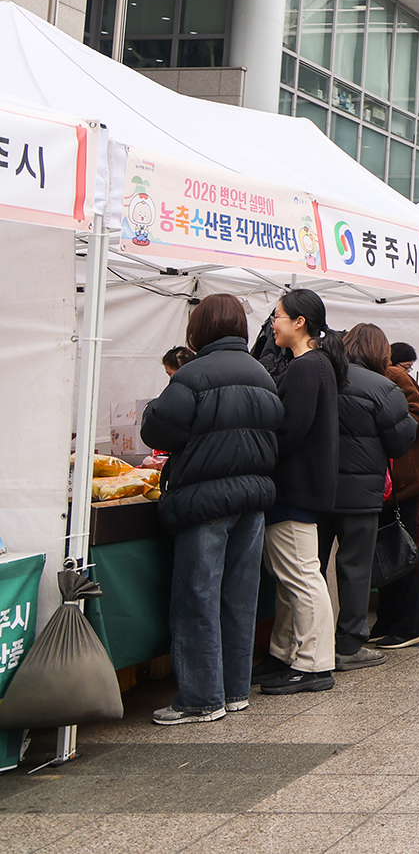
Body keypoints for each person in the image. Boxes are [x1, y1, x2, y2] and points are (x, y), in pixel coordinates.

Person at [141, 294, 284, 725]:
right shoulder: (263, 374)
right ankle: (234, 690)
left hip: (206, 500)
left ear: (198, 330)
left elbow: (157, 428)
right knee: (239, 598)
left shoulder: (193, 375)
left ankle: (201, 698)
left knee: (197, 597)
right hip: (253, 500)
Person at [252, 289, 346, 696]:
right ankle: (287, 655)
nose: (273, 325)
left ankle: (312, 664)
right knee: (293, 576)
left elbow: (290, 429)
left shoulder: (308, 367)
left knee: (302, 576)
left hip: (296, 486)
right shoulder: (313, 364)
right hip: (302, 486)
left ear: (299, 323)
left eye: (278, 317)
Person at [320, 324, 419, 671]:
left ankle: (310, 642)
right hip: (361, 495)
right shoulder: (384, 388)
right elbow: (400, 440)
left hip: (315, 491)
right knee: (354, 568)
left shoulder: (321, 377)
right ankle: (349, 643)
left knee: (311, 569)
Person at [370, 329, 419, 651]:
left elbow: (417, 415)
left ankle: (414, 624)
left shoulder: (392, 373)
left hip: (413, 480)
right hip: (394, 484)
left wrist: (380, 428)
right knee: (391, 551)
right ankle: (388, 620)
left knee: (409, 549)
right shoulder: (379, 375)